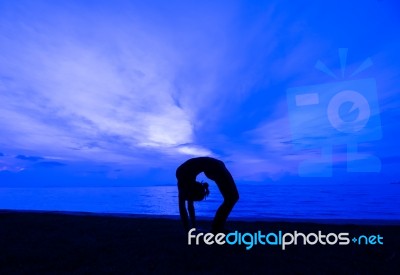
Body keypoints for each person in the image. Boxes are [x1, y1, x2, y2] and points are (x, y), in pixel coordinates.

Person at [176, 157, 239, 233]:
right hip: (215, 167)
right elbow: (188, 206)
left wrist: (190, 230)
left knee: (233, 197)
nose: (191, 200)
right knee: (232, 198)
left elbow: (183, 207)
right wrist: (192, 229)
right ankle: (217, 228)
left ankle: (217, 228)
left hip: (216, 167)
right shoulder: (186, 179)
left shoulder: (184, 177)